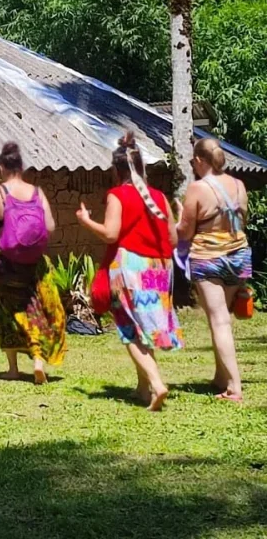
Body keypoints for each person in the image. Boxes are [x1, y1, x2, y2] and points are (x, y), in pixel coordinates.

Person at [76, 132, 182, 411]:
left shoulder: (117, 195)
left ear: (116, 170)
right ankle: (142, 388)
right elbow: (172, 240)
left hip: (130, 268)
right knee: (145, 327)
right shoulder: (159, 197)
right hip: (160, 269)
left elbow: (111, 234)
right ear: (142, 167)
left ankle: (157, 384)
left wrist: (86, 222)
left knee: (130, 330)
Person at [0, 142, 64, 384]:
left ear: (1, 168)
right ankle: (37, 360)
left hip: (5, 263)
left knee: (7, 312)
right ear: (21, 167)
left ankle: (13, 368)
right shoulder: (36, 192)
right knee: (33, 310)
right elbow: (50, 227)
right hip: (34, 263)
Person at [176, 138, 252, 402]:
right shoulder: (240, 185)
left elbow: (185, 231)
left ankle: (234, 387)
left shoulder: (198, 188)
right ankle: (221, 377)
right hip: (239, 255)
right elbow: (242, 220)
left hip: (209, 257)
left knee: (219, 320)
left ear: (199, 160)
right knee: (220, 319)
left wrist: (176, 219)